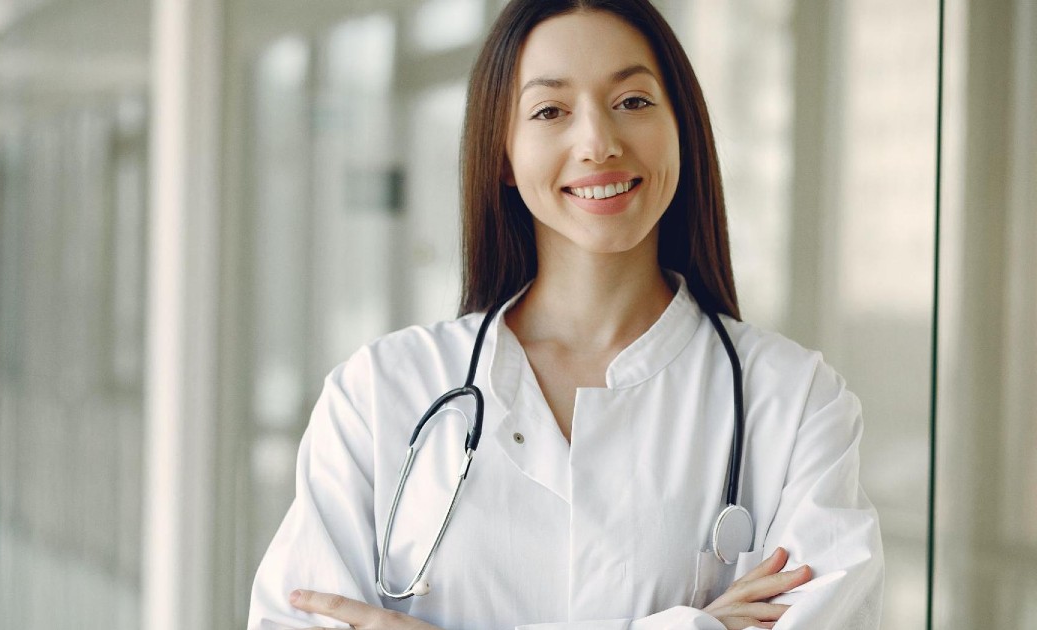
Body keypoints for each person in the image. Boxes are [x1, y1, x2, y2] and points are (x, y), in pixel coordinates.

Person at [248, 0, 884, 628]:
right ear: (502, 154)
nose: (598, 143)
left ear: (681, 128)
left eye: (632, 102)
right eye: (550, 110)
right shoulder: (381, 394)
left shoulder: (796, 403)